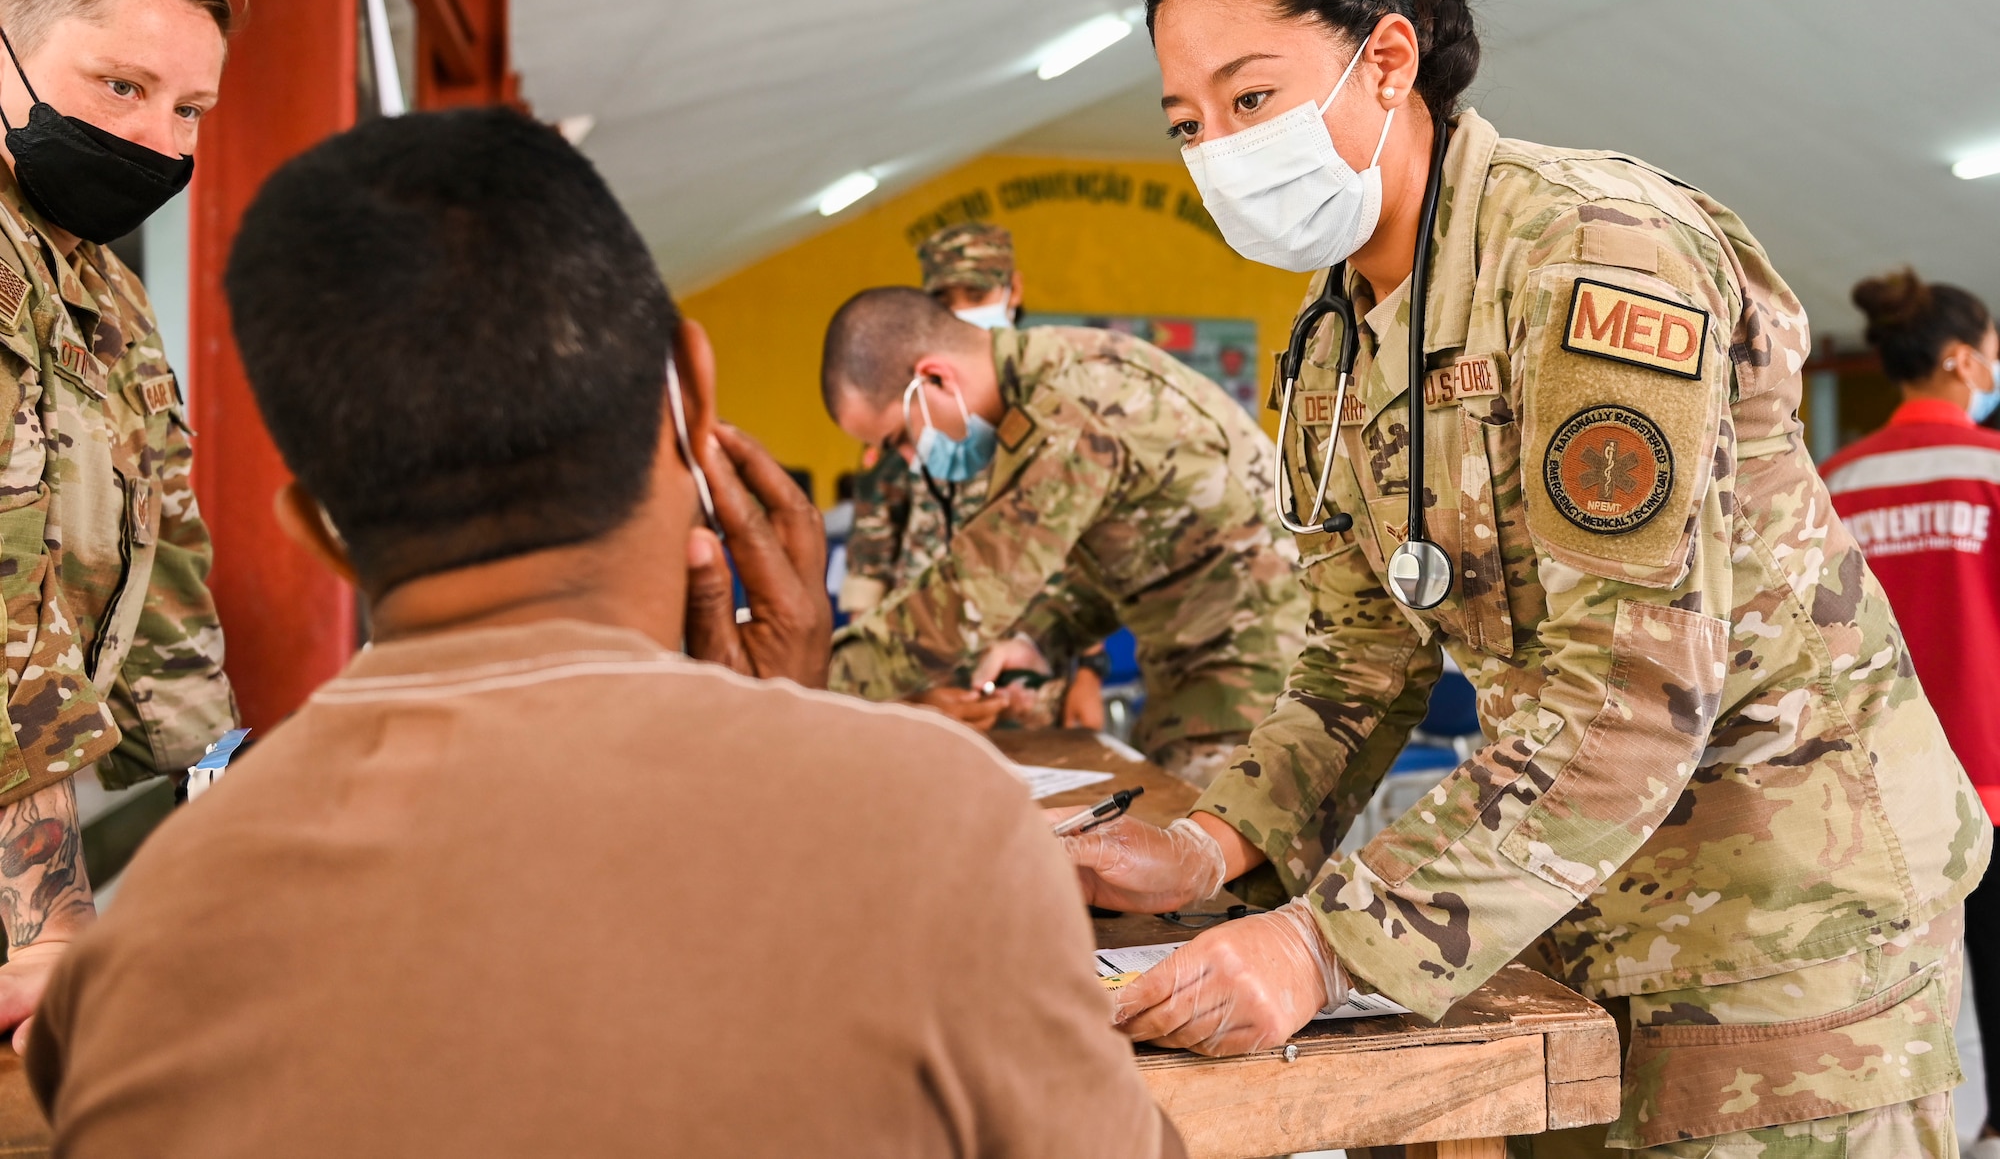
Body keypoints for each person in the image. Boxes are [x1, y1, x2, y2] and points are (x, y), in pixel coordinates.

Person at [23, 109, 1186, 1159]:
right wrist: (808, 724)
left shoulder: (157, 943)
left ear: (317, 529)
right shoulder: (942, 829)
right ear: (690, 385)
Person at [1059, 0, 1987, 1157]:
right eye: (1185, 121)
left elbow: (1627, 686)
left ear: (1385, 58)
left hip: (1780, 928)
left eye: (1250, 96)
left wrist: (1321, 947)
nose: (1218, 146)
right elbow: (1353, 656)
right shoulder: (1333, 339)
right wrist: (1214, 843)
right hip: (1561, 900)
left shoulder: (1588, 255)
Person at [0, 0, 237, 1047]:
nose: (164, 144)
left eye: (191, 109)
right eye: (121, 87)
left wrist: (225, 813)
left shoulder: (99, 281)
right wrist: (45, 921)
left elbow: (169, 560)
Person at [822, 287, 1306, 785]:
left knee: (1203, 847)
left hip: (1256, 671)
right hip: (1210, 660)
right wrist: (1037, 638)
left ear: (935, 378)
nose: (908, 460)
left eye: (899, 438)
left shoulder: (1068, 408)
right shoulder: (1050, 380)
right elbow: (1138, 552)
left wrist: (804, 680)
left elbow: (968, 596)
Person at [1823, 268, 2000, 1158]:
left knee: (1891, 990)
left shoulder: (1836, 481)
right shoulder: (1993, 469)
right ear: (1964, 359)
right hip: (1992, 776)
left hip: (1876, 787)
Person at [842, 221, 1113, 733]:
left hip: (1031, 676)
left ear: (1013, 290)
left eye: (977, 292)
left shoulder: (1055, 397)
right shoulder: (906, 409)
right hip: (924, 673)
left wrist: (1091, 673)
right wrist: (875, 690)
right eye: (945, 296)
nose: (963, 307)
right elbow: (870, 560)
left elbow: (1091, 548)